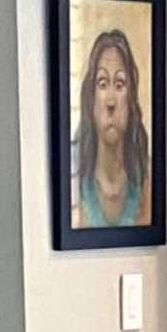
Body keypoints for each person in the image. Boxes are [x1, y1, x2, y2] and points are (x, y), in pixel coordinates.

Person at [68, 23, 151, 231]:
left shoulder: (146, 175)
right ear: (91, 98)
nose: (111, 102)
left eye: (120, 84)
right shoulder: (72, 171)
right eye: (103, 84)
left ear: (131, 100)